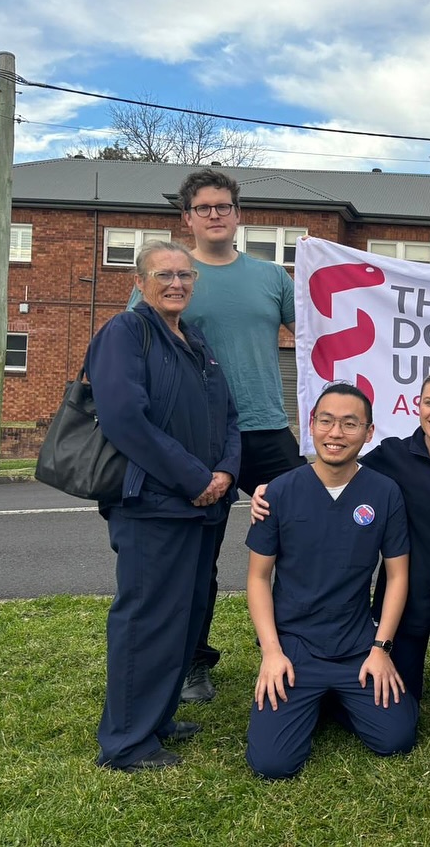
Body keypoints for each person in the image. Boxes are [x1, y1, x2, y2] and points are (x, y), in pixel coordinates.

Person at [131, 168, 304, 704]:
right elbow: (136, 349)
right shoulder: (173, 276)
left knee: (303, 543)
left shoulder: (273, 278)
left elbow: (323, 336)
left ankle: (296, 647)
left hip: (270, 430)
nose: (213, 215)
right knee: (197, 557)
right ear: (187, 218)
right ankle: (192, 664)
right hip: (199, 441)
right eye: (202, 208)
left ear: (237, 214)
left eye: (222, 206)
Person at [251, 370, 430, 705]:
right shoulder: (392, 455)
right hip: (408, 595)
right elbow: (337, 467)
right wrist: (271, 489)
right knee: (402, 700)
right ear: (418, 406)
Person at [89, 240, 240, 771]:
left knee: (185, 616)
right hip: (153, 505)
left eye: (185, 275)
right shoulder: (126, 333)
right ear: (138, 281)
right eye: (163, 275)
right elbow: (125, 419)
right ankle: (128, 742)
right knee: (149, 619)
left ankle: (158, 716)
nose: (175, 283)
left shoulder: (195, 339)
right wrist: (196, 477)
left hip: (203, 507)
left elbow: (229, 416)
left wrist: (225, 471)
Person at [244, 382, 417, 779]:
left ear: (369, 433)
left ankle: (334, 699)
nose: (335, 433)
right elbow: (257, 577)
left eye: (349, 424)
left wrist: (381, 648)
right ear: (312, 423)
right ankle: (314, 696)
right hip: (295, 648)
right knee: (272, 765)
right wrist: (272, 652)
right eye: (326, 421)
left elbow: (397, 575)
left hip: (356, 645)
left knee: (396, 739)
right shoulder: (280, 491)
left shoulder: (384, 492)